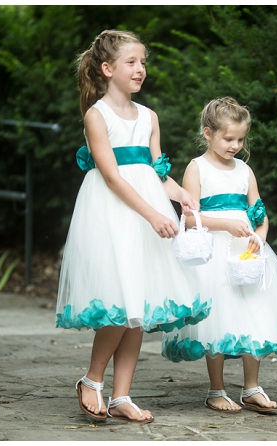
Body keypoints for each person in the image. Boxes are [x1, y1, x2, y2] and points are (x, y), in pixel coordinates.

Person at [55, 30, 210, 423]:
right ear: (107, 69)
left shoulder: (149, 117)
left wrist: (180, 196)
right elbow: (112, 177)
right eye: (131, 62)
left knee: (138, 305)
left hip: (148, 213)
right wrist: (153, 214)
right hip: (114, 214)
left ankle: (122, 394)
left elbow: (157, 172)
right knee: (120, 304)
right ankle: (92, 379)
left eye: (143, 62)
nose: (140, 69)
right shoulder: (97, 116)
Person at [161, 97, 277, 414]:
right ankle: (216, 389)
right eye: (228, 138)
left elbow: (260, 214)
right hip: (214, 254)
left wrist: (260, 237)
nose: (235, 145)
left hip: (245, 251)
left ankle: (251, 387)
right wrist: (225, 224)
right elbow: (190, 217)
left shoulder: (245, 171)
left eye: (240, 139)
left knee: (253, 312)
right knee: (217, 318)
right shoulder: (197, 168)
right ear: (208, 133)